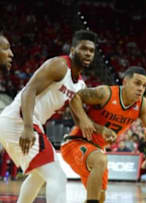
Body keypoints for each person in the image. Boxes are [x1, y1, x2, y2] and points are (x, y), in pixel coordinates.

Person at [0, 29, 98, 203]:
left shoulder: (80, 85)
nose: (88, 53)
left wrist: (94, 130)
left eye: (91, 50)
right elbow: (28, 91)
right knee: (57, 177)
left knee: (40, 176)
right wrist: (28, 127)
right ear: (73, 50)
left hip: (26, 122)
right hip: (20, 119)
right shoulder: (60, 65)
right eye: (83, 48)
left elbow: (78, 116)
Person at [61, 66, 146, 203]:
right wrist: (87, 122)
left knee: (100, 197)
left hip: (98, 149)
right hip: (76, 142)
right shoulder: (105, 93)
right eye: (137, 83)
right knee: (100, 160)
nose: (141, 88)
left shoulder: (143, 105)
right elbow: (75, 98)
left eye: (144, 85)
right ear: (125, 82)